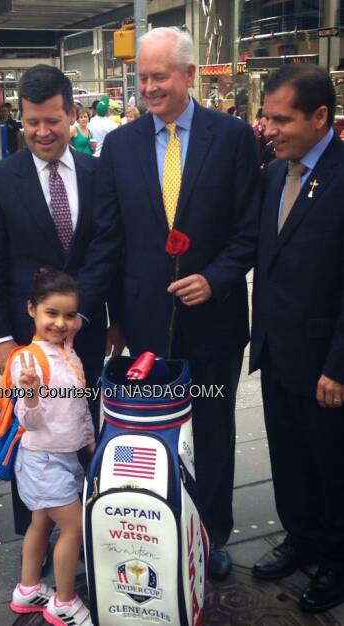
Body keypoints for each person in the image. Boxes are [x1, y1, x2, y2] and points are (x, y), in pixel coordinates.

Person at [80, 26, 259, 580]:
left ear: (188, 75)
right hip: (145, 321)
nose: (149, 88)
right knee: (155, 434)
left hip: (215, 318)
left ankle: (213, 532)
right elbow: (109, 239)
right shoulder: (122, 144)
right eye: (143, 78)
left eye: (160, 76)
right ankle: (161, 526)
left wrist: (218, 278)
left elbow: (249, 229)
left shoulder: (231, 137)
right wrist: (106, 317)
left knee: (213, 427)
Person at [0, 64, 119, 536]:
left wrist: (85, 313)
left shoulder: (99, 173)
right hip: (25, 338)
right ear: (21, 117)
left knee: (83, 422)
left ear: (71, 115)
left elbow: (106, 249)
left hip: (86, 333)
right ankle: (36, 535)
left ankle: (85, 526)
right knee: (33, 431)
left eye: (52, 120)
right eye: (31, 121)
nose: (41, 131)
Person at [250, 64, 344, 613]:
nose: (268, 128)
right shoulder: (273, 175)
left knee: (331, 464)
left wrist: (339, 364)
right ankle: (300, 537)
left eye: (281, 119)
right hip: (277, 351)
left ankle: (335, 560)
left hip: (325, 363)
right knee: (288, 457)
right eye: (266, 116)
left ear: (320, 118)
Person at [9, 268, 93, 625]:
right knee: (73, 528)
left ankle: (27, 590)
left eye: (69, 315)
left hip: (62, 456)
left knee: (40, 523)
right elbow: (31, 422)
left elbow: (78, 405)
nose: (60, 323)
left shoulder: (67, 352)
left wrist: (91, 442)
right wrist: (29, 394)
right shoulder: (27, 360)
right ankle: (64, 601)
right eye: (52, 313)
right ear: (32, 310)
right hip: (41, 460)